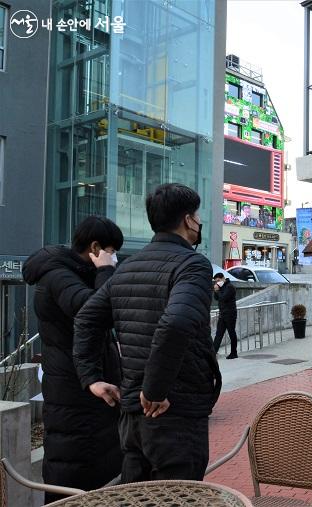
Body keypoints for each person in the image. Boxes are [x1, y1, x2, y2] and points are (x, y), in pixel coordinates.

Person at [73, 183, 222, 483]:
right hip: (175, 414)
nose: (199, 221)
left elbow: (86, 319)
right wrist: (155, 390)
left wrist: (91, 379)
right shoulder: (192, 265)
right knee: (180, 498)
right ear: (188, 220)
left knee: (136, 497)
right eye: (197, 215)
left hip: (131, 420)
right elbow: (177, 323)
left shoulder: (126, 268)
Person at [22, 216, 124, 502]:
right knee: (73, 468)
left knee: (99, 467)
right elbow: (94, 310)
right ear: (95, 247)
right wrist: (105, 271)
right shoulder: (58, 276)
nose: (113, 258)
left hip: (87, 387)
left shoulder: (72, 274)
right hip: (73, 392)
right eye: (111, 251)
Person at [212, 272, 238, 359]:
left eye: (218, 280)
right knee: (219, 334)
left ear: (223, 278)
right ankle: (213, 353)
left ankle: (234, 352)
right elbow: (217, 298)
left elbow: (223, 298)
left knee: (231, 333)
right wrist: (216, 291)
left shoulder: (230, 287)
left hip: (230, 313)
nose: (217, 282)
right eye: (216, 281)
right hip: (222, 314)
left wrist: (218, 291)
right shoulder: (221, 287)